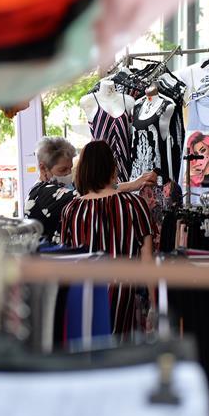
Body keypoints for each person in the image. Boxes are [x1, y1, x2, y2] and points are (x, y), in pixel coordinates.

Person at [60, 141, 155, 336]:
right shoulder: (134, 205)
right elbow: (148, 260)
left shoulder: (71, 210)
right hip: (122, 298)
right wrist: (155, 305)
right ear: (112, 168)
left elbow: (66, 262)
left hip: (83, 298)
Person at [25, 137, 157, 244]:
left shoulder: (59, 190)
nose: (68, 174)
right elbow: (94, 193)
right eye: (62, 170)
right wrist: (132, 185)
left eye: (70, 168)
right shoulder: (41, 194)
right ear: (43, 168)